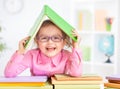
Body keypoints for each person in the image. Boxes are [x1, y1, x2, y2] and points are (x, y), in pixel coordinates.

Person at [4, 20, 82, 78]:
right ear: (37, 42)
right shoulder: (31, 55)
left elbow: (76, 73)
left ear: (64, 42)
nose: (50, 42)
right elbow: (9, 74)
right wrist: (20, 52)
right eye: (44, 38)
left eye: (56, 38)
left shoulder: (67, 55)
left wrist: (75, 46)